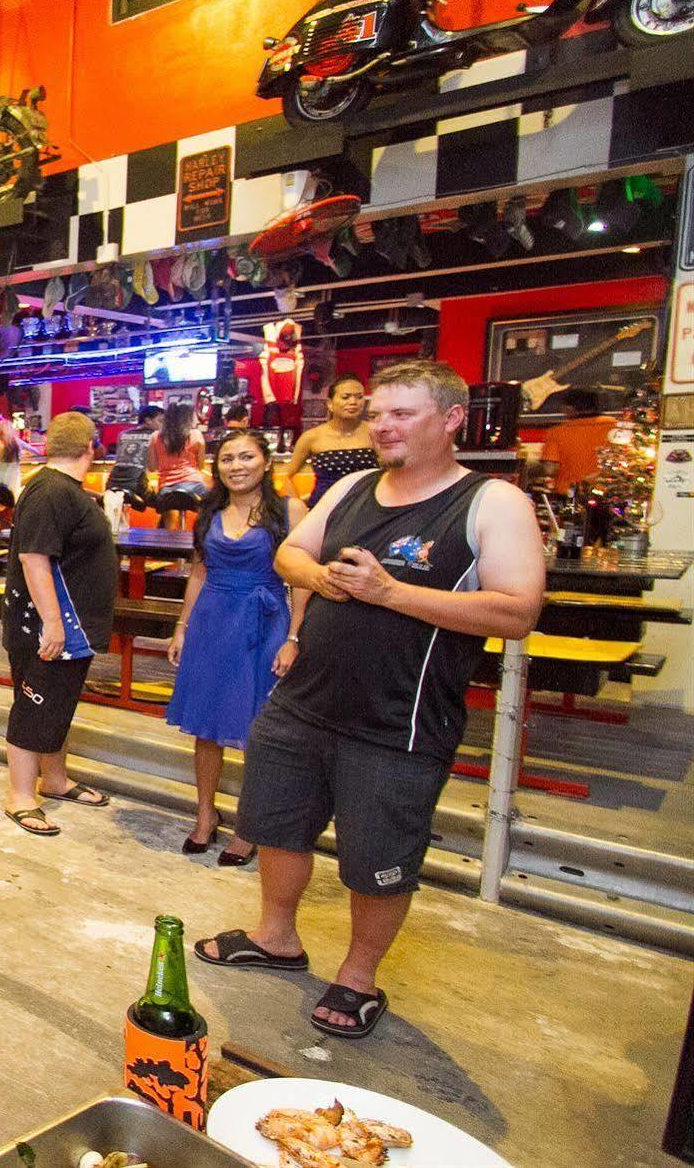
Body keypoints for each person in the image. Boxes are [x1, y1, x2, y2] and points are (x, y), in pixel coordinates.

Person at [195, 361, 543, 1039]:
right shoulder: (353, 486)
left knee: (376, 859)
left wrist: (391, 593)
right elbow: (290, 553)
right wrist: (321, 573)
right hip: (303, 698)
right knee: (276, 823)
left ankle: (357, 975)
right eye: (377, 411)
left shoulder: (490, 502)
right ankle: (275, 937)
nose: (381, 424)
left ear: (449, 419)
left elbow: (516, 610)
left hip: (397, 719)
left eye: (400, 413)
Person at [165, 431, 309, 865]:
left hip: (265, 624)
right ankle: (205, 815)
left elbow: (302, 579)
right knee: (206, 728)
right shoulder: (208, 512)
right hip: (212, 622)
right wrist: (182, 627)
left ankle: (251, 826)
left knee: (256, 731)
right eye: (227, 458)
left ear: (266, 462)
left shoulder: (290, 510)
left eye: (247, 456)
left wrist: (294, 636)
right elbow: (198, 573)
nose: (236, 465)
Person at [0, 411, 116, 836]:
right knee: (34, 708)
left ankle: (55, 780)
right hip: (50, 627)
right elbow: (35, 558)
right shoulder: (51, 490)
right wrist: (52, 621)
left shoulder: (58, 489)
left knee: (57, 707)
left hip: (69, 627)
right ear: (91, 447)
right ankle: (20, 796)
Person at [277, 374, 377, 507]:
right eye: (345, 397)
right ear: (330, 403)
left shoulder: (375, 432)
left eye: (359, 397)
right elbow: (288, 476)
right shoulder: (312, 436)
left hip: (366, 508)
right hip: (323, 510)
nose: (353, 402)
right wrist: (298, 508)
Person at [539, 387, 618, 494]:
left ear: (569, 408)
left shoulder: (557, 432)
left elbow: (550, 469)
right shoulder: (617, 427)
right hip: (611, 492)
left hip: (572, 494)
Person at [106, 406, 164, 508]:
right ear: (148, 420)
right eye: (160, 421)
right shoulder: (156, 436)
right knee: (166, 505)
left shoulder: (122, 434)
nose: (162, 425)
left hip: (111, 485)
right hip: (137, 486)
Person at [149, 403, 207, 503]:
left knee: (168, 512)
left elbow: (152, 467)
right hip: (193, 485)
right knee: (209, 508)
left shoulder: (155, 436)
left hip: (166, 489)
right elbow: (201, 466)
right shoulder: (196, 434)